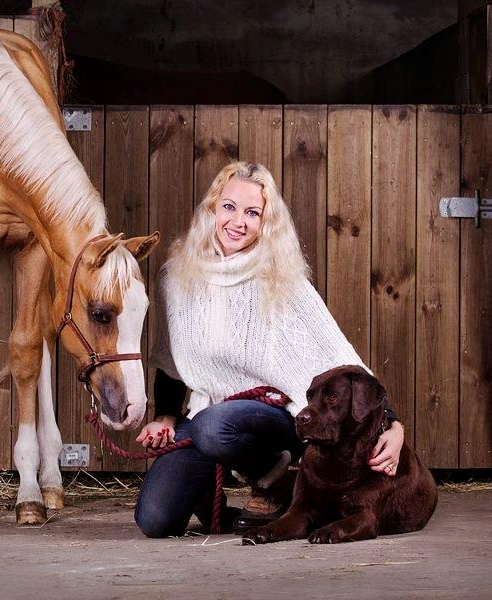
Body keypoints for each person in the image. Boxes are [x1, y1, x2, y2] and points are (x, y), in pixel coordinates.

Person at [134, 161, 404, 538]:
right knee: (155, 519)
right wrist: (164, 417)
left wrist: (393, 423)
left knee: (214, 427)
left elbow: (339, 357)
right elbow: (173, 362)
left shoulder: (282, 277)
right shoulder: (177, 276)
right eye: (228, 207)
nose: (238, 222)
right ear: (212, 209)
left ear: (266, 222)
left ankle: (275, 481)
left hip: (278, 420)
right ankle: (210, 490)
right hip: (208, 416)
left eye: (252, 213)